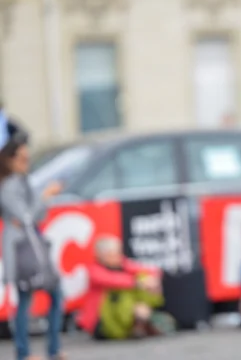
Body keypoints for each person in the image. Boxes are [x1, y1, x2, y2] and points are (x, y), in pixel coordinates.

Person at [0, 133, 65, 360]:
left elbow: (36, 215)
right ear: (9, 160)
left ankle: (52, 348)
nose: (25, 163)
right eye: (21, 159)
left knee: (55, 294)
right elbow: (26, 216)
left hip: (34, 245)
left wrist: (37, 206)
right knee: (25, 299)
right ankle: (23, 352)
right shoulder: (8, 186)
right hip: (21, 249)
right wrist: (45, 195)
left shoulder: (24, 182)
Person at [77, 236, 172, 340]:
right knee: (124, 292)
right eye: (113, 253)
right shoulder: (93, 270)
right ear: (101, 255)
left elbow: (148, 270)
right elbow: (113, 281)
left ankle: (140, 321)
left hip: (126, 311)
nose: (118, 256)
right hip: (100, 321)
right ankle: (141, 322)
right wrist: (139, 283)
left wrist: (152, 279)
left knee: (142, 277)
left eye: (118, 252)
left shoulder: (123, 263)